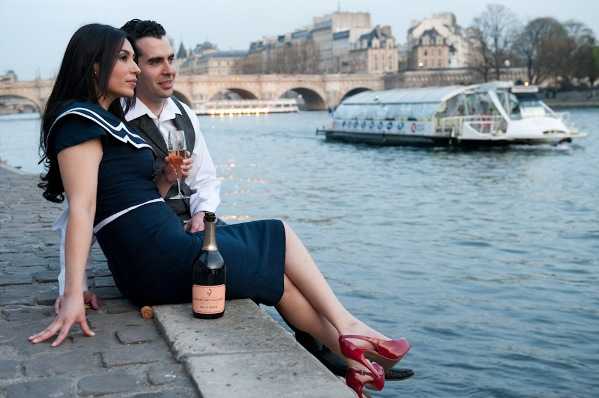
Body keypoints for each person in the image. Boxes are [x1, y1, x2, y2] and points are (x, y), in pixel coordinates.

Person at [29, 24, 410, 397]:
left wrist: (165, 178)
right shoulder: (78, 119)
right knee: (276, 232)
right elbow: (82, 209)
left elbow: (128, 194)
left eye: (135, 59)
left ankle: (356, 358)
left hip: (163, 245)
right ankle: (350, 327)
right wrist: (73, 290)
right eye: (125, 59)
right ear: (95, 67)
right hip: (155, 255)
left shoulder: (107, 120)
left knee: (280, 282)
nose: (133, 68)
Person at [51, 19, 220, 303]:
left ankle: (316, 342)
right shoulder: (111, 124)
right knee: (274, 248)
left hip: (193, 229)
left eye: (171, 58)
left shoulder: (185, 114)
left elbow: (205, 179)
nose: (169, 70)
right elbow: (82, 209)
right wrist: (74, 287)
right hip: (153, 245)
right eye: (155, 62)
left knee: (277, 263)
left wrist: (203, 214)